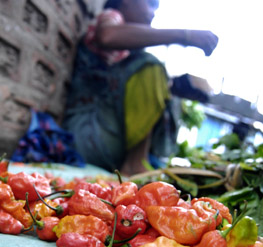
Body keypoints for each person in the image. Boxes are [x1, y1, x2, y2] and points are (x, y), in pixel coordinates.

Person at [62, 0, 218, 175]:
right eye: (150, 4)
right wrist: (184, 35)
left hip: (109, 142)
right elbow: (107, 36)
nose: (152, 13)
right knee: (149, 65)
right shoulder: (112, 17)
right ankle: (135, 165)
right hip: (87, 137)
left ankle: (138, 162)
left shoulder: (127, 53)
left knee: (164, 84)